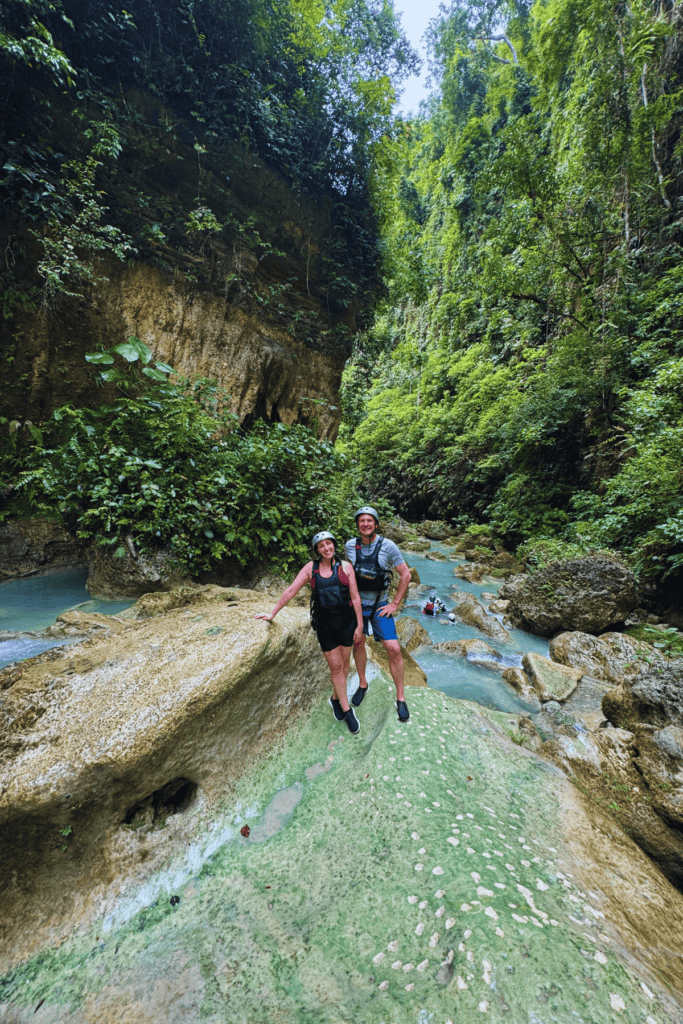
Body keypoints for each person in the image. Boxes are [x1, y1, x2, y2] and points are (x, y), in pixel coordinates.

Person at [255, 531, 364, 735]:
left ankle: (335, 698)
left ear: (334, 545)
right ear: (317, 550)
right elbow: (291, 591)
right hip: (325, 625)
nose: (326, 548)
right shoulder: (310, 569)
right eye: (321, 545)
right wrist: (272, 612)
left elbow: (355, 598)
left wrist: (359, 626)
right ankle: (346, 709)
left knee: (345, 666)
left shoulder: (345, 567)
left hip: (347, 622)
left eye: (329, 544)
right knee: (336, 667)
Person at [345, 506, 413, 722]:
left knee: (393, 649)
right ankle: (363, 683)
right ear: (357, 524)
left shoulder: (388, 546)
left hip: (380, 605)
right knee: (358, 643)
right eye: (361, 521)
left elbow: (406, 575)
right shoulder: (350, 546)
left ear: (376, 524)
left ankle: (401, 697)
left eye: (369, 521)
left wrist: (395, 603)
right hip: (356, 605)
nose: (365, 524)